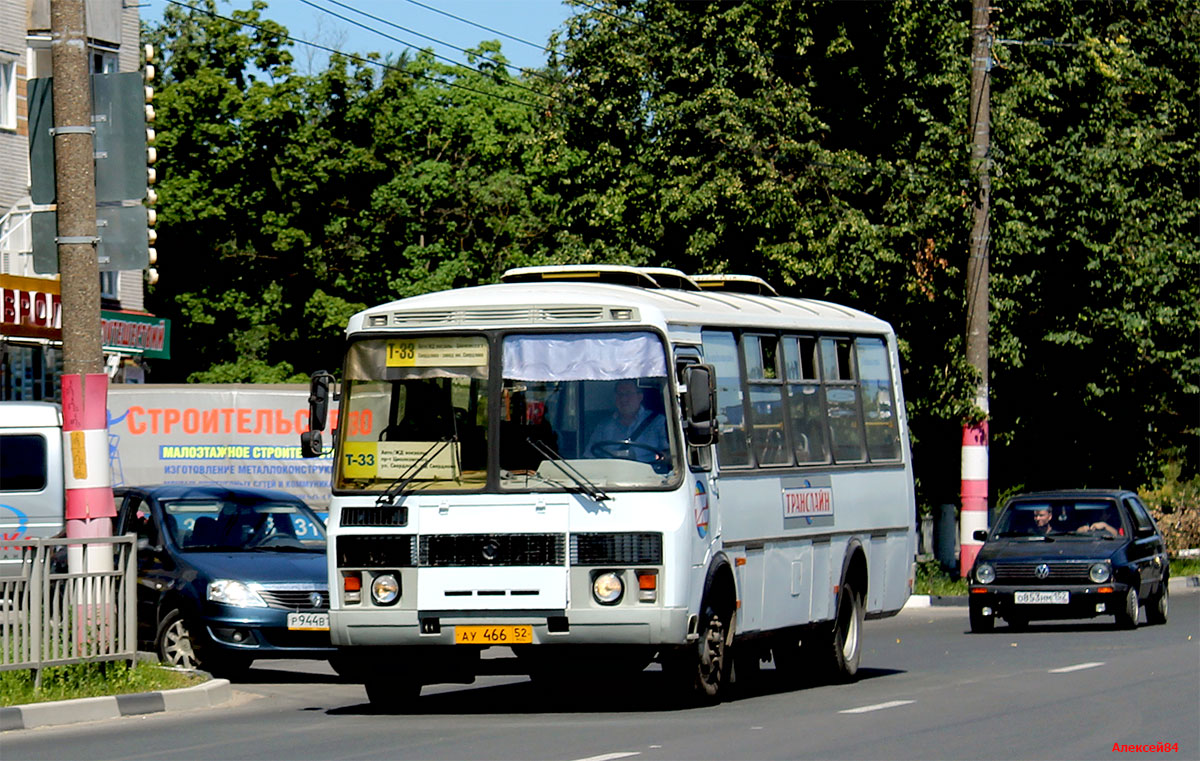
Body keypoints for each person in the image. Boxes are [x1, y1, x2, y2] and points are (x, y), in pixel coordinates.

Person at [586, 379, 669, 464]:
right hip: (610, 475)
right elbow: (589, 457)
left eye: (628, 394)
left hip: (649, 475)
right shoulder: (603, 426)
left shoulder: (658, 421)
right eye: (620, 394)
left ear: (640, 396)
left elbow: (669, 455)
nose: (623, 399)